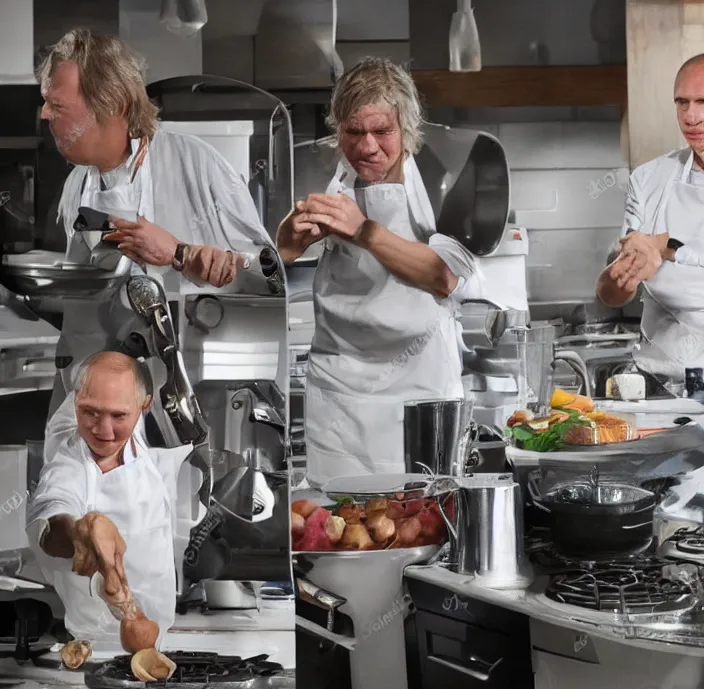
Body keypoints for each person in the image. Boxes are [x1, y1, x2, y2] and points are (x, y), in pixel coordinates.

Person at [38, 28, 273, 429]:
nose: (44, 114)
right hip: (95, 414)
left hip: (182, 408)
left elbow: (269, 283)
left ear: (110, 103)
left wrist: (180, 255)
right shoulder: (76, 184)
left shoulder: (197, 168)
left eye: (55, 104)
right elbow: (84, 311)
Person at [276, 58, 484, 485]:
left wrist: (363, 230)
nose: (367, 147)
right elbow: (270, 259)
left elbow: (442, 276)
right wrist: (288, 242)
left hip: (421, 391)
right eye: (353, 132)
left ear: (406, 127)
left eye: (382, 132)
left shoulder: (444, 174)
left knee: (424, 517)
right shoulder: (319, 172)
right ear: (337, 128)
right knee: (340, 521)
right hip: (340, 394)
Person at [26, 351, 192, 653]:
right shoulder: (69, 466)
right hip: (99, 650)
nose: (104, 431)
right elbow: (52, 515)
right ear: (77, 401)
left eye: (118, 416)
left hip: (161, 640)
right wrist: (79, 532)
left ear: (144, 406)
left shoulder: (141, 437)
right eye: (90, 412)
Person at [597, 54, 704, 384]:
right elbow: (609, 292)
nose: (691, 116)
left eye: (703, 102)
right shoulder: (648, 180)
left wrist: (665, 246)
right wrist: (620, 279)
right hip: (659, 380)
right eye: (682, 102)